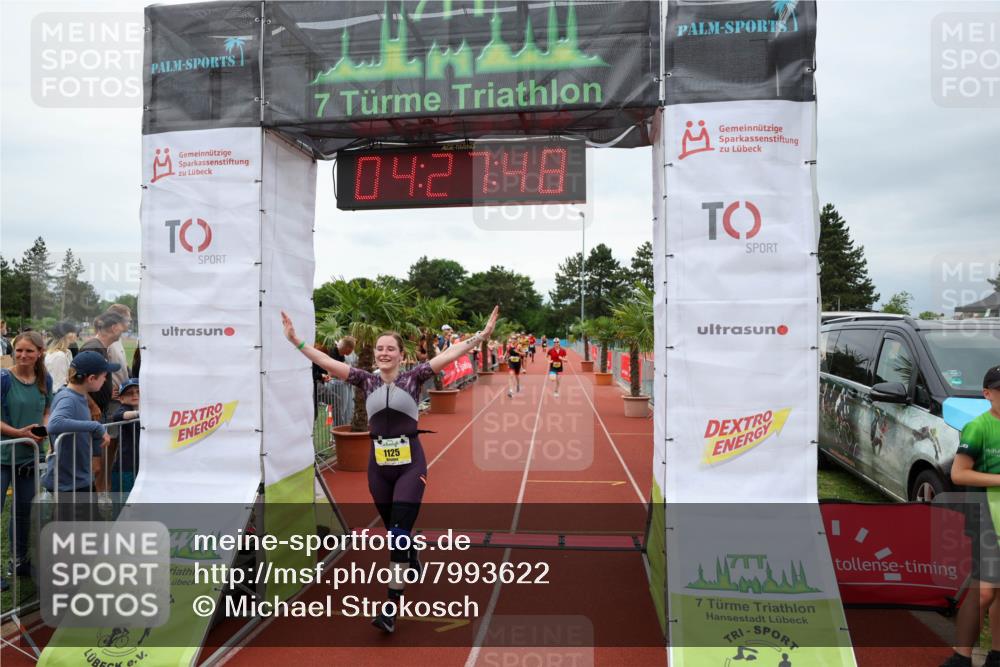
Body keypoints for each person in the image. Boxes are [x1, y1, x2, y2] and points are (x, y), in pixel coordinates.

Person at [281, 305, 499, 634]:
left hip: (410, 465)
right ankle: (411, 554)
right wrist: (296, 341)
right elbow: (326, 362)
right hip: (378, 468)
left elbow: (451, 353)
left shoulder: (415, 377)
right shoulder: (364, 380)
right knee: (394, 530)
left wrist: (481, 336)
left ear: (400, 354)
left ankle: (390, 608)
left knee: (397, 533)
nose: (384, 353)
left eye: (390, 349)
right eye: (380, 348)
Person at [944, 365, 1000, 667]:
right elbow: (958, 473)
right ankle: (960, 657)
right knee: (984, 591)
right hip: (985, 516)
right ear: (987, 394)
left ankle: (996, 655)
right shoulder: (978, 426)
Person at [0, 332, 53, 590]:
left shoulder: (45, 379)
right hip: (2, 456)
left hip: (29, 458)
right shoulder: (3, 379)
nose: (22, 355)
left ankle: (19, 561)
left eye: (28, 351)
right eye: (18, 350)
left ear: (40, 352)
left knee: (23, 512)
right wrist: (19, 434)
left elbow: (47, 410)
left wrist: (43, 430)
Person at [41, 351, 116, 501]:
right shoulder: (68, 398)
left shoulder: (78, 396)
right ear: (91, 378)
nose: (106, 379)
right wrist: (95, 426)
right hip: (68, 483)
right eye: (104, 375)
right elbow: (54, 424)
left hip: (79, 478)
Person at [110, 379, 140, 494]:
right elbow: (119, 415)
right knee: (125, 499)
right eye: (129, 393)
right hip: (125, 465)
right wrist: (138, 414)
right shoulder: (124, 408)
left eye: (138, 392)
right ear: (121, 398)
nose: (135, 395)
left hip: (140, 463)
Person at [45, 321, 78, 389]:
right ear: (68, 335)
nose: (76, 334)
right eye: (73, 332)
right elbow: (58, 385)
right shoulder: (59, 356)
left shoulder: (67, 352)